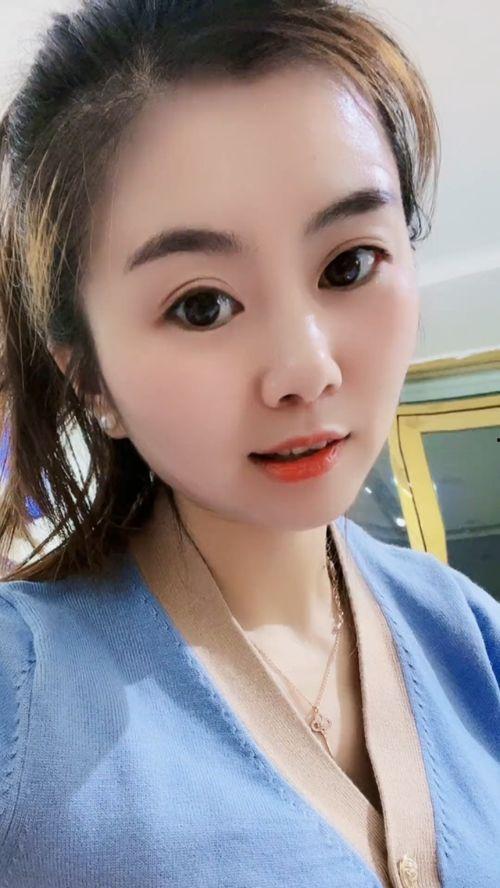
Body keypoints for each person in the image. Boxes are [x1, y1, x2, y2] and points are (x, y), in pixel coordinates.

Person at [0, 1, 498, 886]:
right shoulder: (22, 690)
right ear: (92, 381)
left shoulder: (472, 634)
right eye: (202, 306)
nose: (305, 370)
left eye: (348, 264)